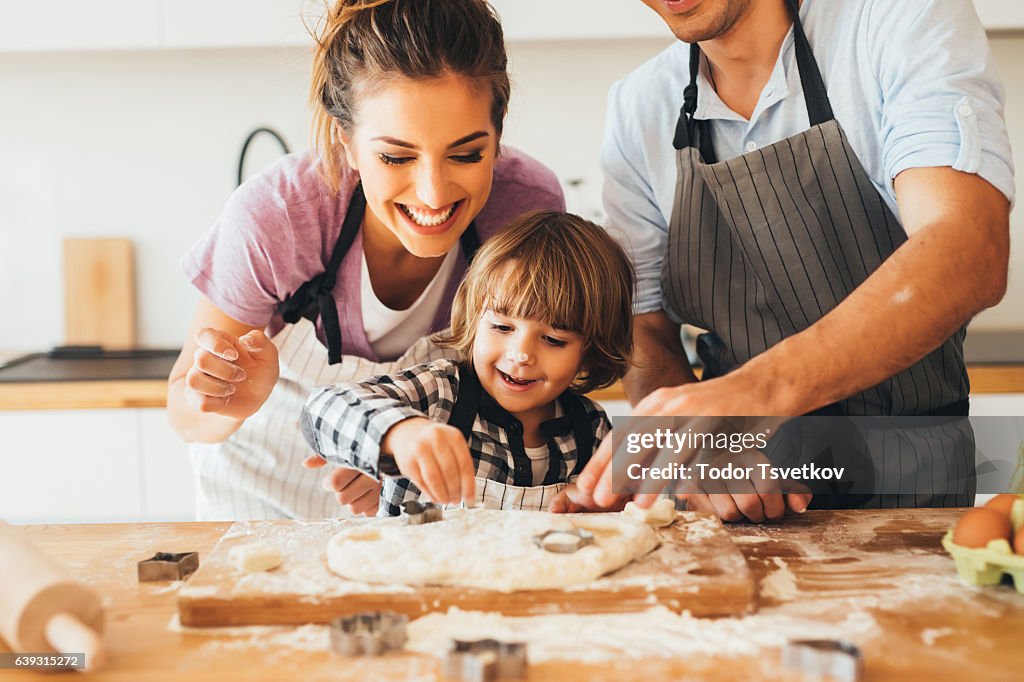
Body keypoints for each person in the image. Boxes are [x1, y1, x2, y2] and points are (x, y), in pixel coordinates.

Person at [577, 0, 1012, 521]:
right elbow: (644, 325)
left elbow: (968, 247)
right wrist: (707, 459)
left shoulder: (899, 19)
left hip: (917, 479)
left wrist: (754, 393)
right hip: (744, 501)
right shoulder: (639, 106)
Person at [166, 0, 565, 520]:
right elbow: (184, 412)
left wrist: (399, 459)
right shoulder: (279, 216)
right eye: (396, 157)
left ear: (499, 130)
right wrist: (229, 402)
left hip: (420, 495)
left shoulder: (525, 209)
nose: (433, 192)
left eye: (467, 154)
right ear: (347, 143)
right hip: (262, 491)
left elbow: (516, 399)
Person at [300, 211, 635, 515]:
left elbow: (637, 504)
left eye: (553, 340)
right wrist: (400, 433)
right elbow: (321, 408)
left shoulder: (590, 427)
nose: (521, 354)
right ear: (475, 320)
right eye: (502, 327)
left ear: (590, 351)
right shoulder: (438, 393)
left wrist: (604, 506)